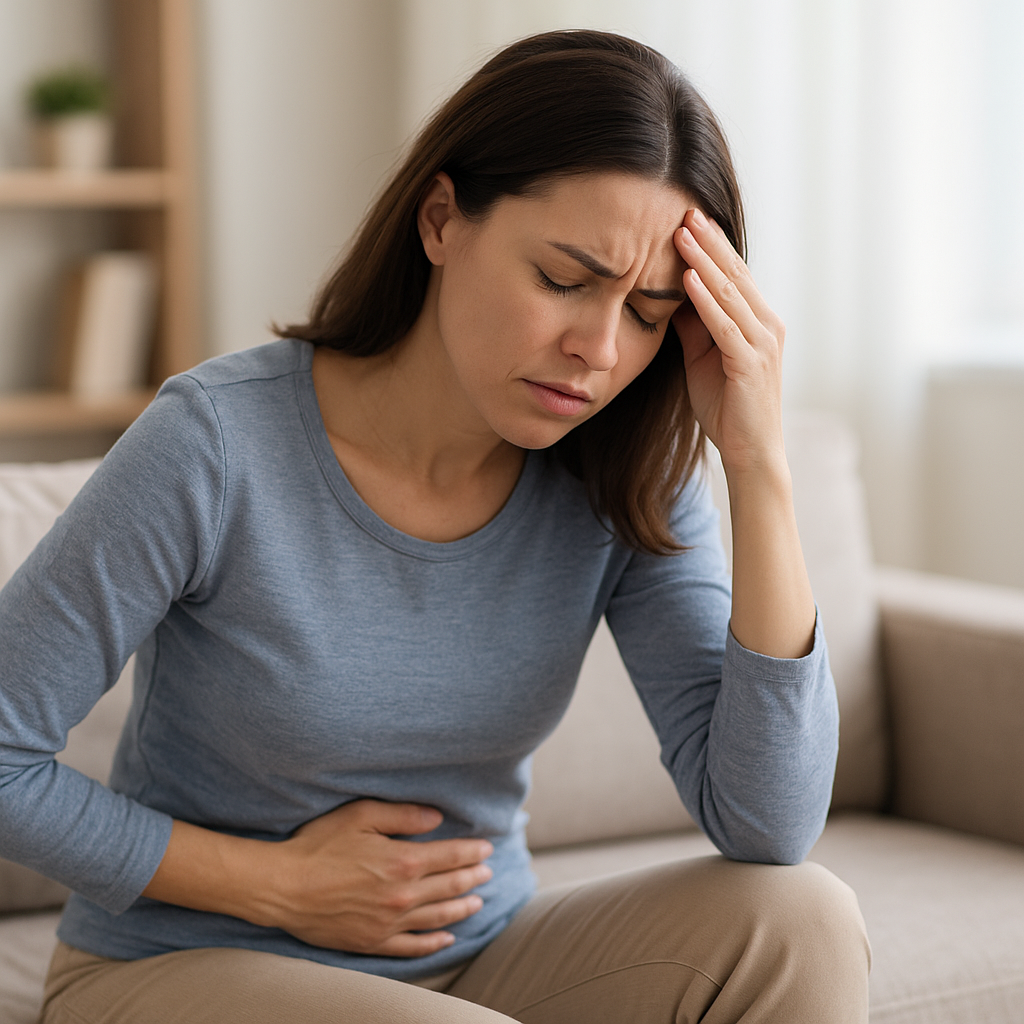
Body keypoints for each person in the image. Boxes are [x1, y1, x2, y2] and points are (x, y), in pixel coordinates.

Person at [0, 29, 869, 1024]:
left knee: (799, 916)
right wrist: (278, 884)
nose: (596, 348)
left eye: (649, 311)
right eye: (563, 278)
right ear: (441, 218)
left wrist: (758, 468)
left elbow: (767, 823)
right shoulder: (216, 443)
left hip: (480, 966)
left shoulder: (619, 473)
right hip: (174, 968)